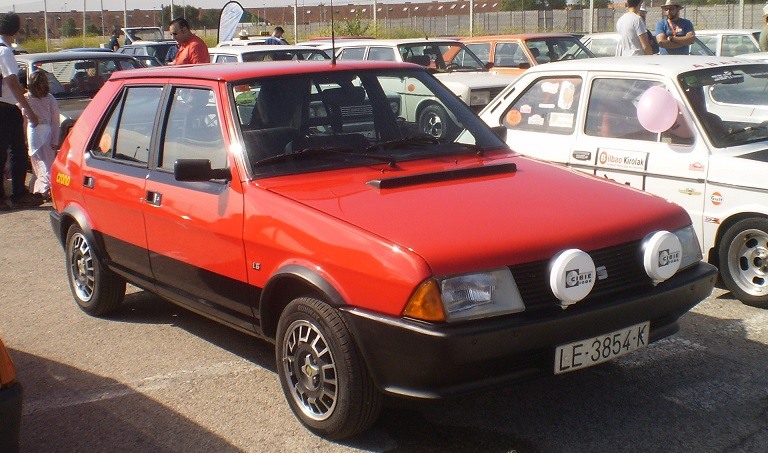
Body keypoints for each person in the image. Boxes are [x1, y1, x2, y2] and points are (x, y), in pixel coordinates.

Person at [0, 12, 42, 210]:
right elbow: (12, 82)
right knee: (17, 151)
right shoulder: (5, 52)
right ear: (16, 30)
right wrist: (29, 110)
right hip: (6, 109)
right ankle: (18, 193)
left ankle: (8, 195)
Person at [24, 69, 59, 201]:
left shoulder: (50, 98)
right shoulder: (26, 98)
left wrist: (55, 139)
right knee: (39, 162)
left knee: (48, 162)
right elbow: (23, 120)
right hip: (34, 132)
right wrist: (24, 140)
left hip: (48, 132)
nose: (41, 87)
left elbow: (55, 120)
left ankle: (40, 188)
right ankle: (44, 189)